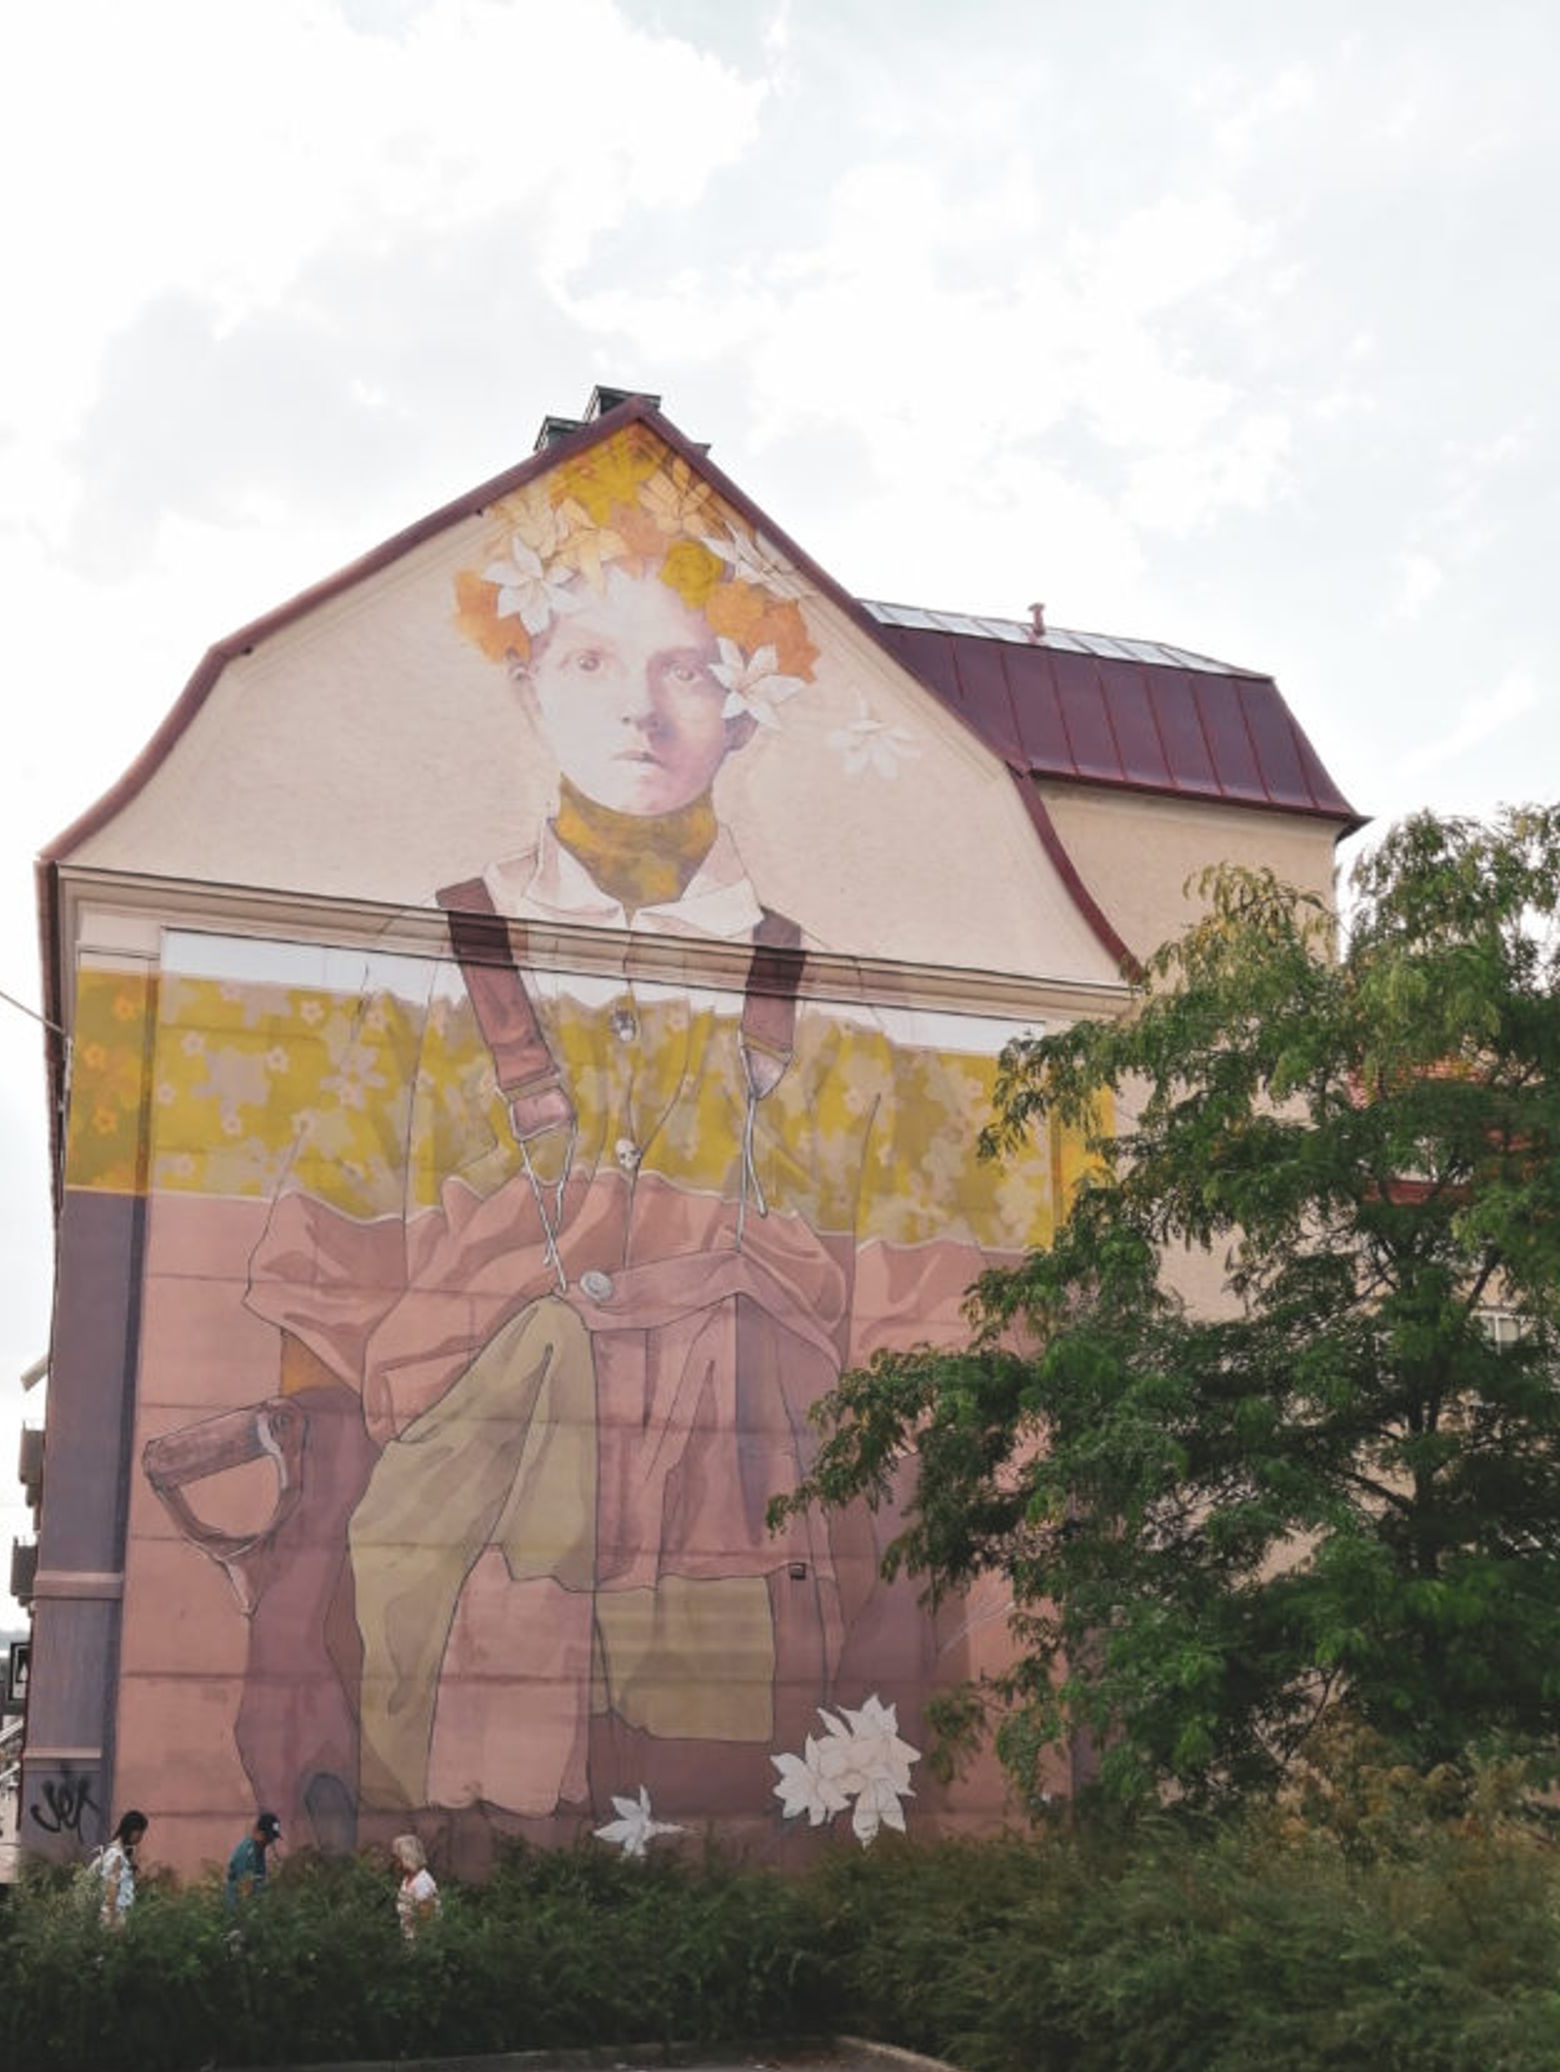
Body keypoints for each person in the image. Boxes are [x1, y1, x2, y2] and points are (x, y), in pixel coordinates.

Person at [141, 425, 1033, 1849]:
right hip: (460, 1587)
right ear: (526, 686)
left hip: (765, 1590)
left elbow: (929, 1350)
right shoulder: (421, 968)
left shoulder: (846, 1010)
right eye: (592, 663)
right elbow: (323, 1298)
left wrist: (904, 1630)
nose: (645, 711)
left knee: (735, 1857)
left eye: (689, 666)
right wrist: (300, 1604)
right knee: (486, 1836)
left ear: (745, 708)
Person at [97, 1809, 148, 1928]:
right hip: (114, 1918)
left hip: (121, 1915)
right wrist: (113, 1921)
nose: (141, 1838)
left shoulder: (122, 1853)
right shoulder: (116, 1855)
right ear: (131, 1830)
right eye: (140, 1833)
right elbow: (111, 1889)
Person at [224, 1808, 282, 1911]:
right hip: (239, 1909)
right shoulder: (247, 1853)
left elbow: (259, 1878)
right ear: (257, 1831)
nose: (270, 1841)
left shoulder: (259, 1848)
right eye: (268, 1837)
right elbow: (244, 1888)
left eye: (272, 1838)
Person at [393, 1833, 441, 1941]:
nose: (394, 1863)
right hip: (408, 1940)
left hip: (421, 1944)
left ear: (407, 1858)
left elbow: (425, 1920)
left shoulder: (422, 1882)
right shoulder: (406, 1880)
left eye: (397, 1858)